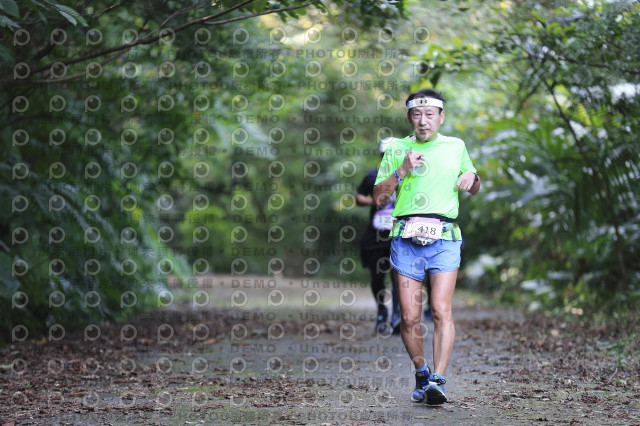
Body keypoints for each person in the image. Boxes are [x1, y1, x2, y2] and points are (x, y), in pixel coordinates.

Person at [373, 89, 480, 405]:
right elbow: (378, 197)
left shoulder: (455, 146)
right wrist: (402, 170)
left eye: (430, 114)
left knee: (441, 309)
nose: (423, 121)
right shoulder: (397, 148)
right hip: (405, 237)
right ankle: (422, 372)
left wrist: (472, 176)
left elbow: (475, 185)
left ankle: (438, 380)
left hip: (445, 236)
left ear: (441, 117)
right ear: (410, 117)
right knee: (409, 317)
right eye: (417, 114)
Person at [355, 137, 401, 334]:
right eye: (385, 154)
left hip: (399, 234)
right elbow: (358, 196)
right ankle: (382, 311)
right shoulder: (373, 175)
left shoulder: (409, 177)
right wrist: (373, 202)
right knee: (377, 277)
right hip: (375, 236)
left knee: (400, 276)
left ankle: (398, 316)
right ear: (381, 155)